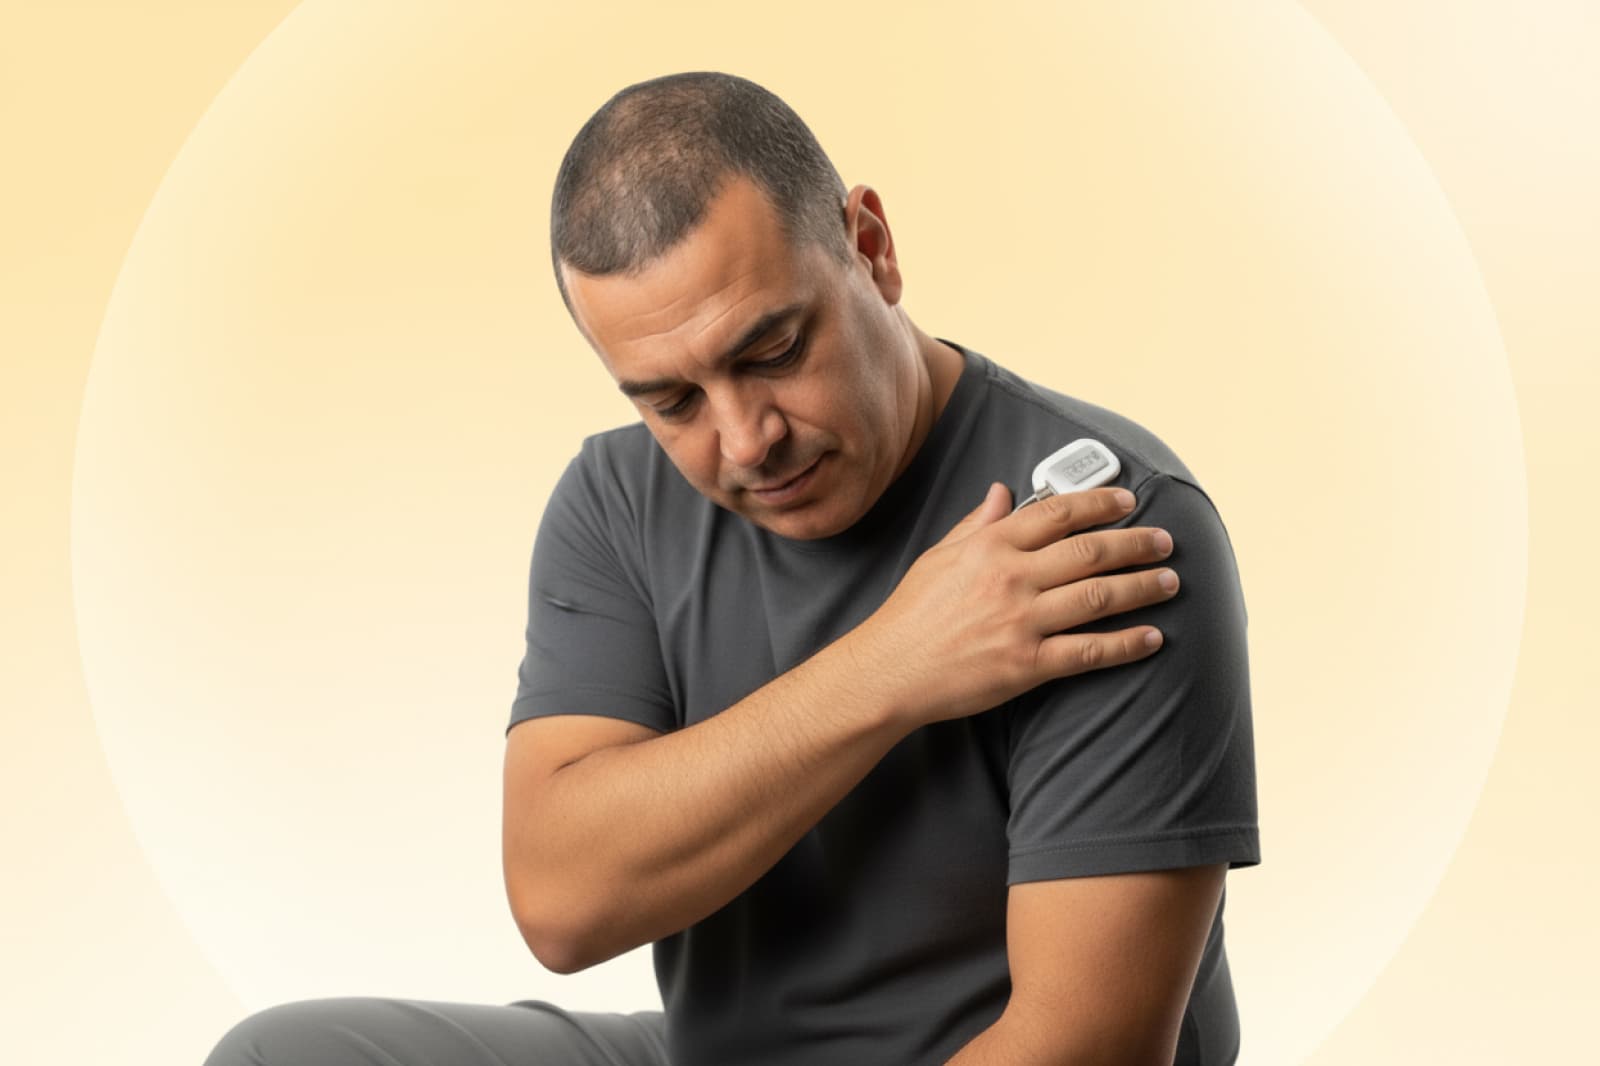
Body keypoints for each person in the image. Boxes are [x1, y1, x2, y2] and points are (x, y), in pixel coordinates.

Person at [204, 71, 1258, 1066]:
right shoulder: (618, 498)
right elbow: (562, 900)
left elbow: (1085, 1048)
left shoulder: (1096, 528)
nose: (745, 438)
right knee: (284, 1054)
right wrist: (894, 664)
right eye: (671, 401)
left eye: (772, 351)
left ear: (871, 248)